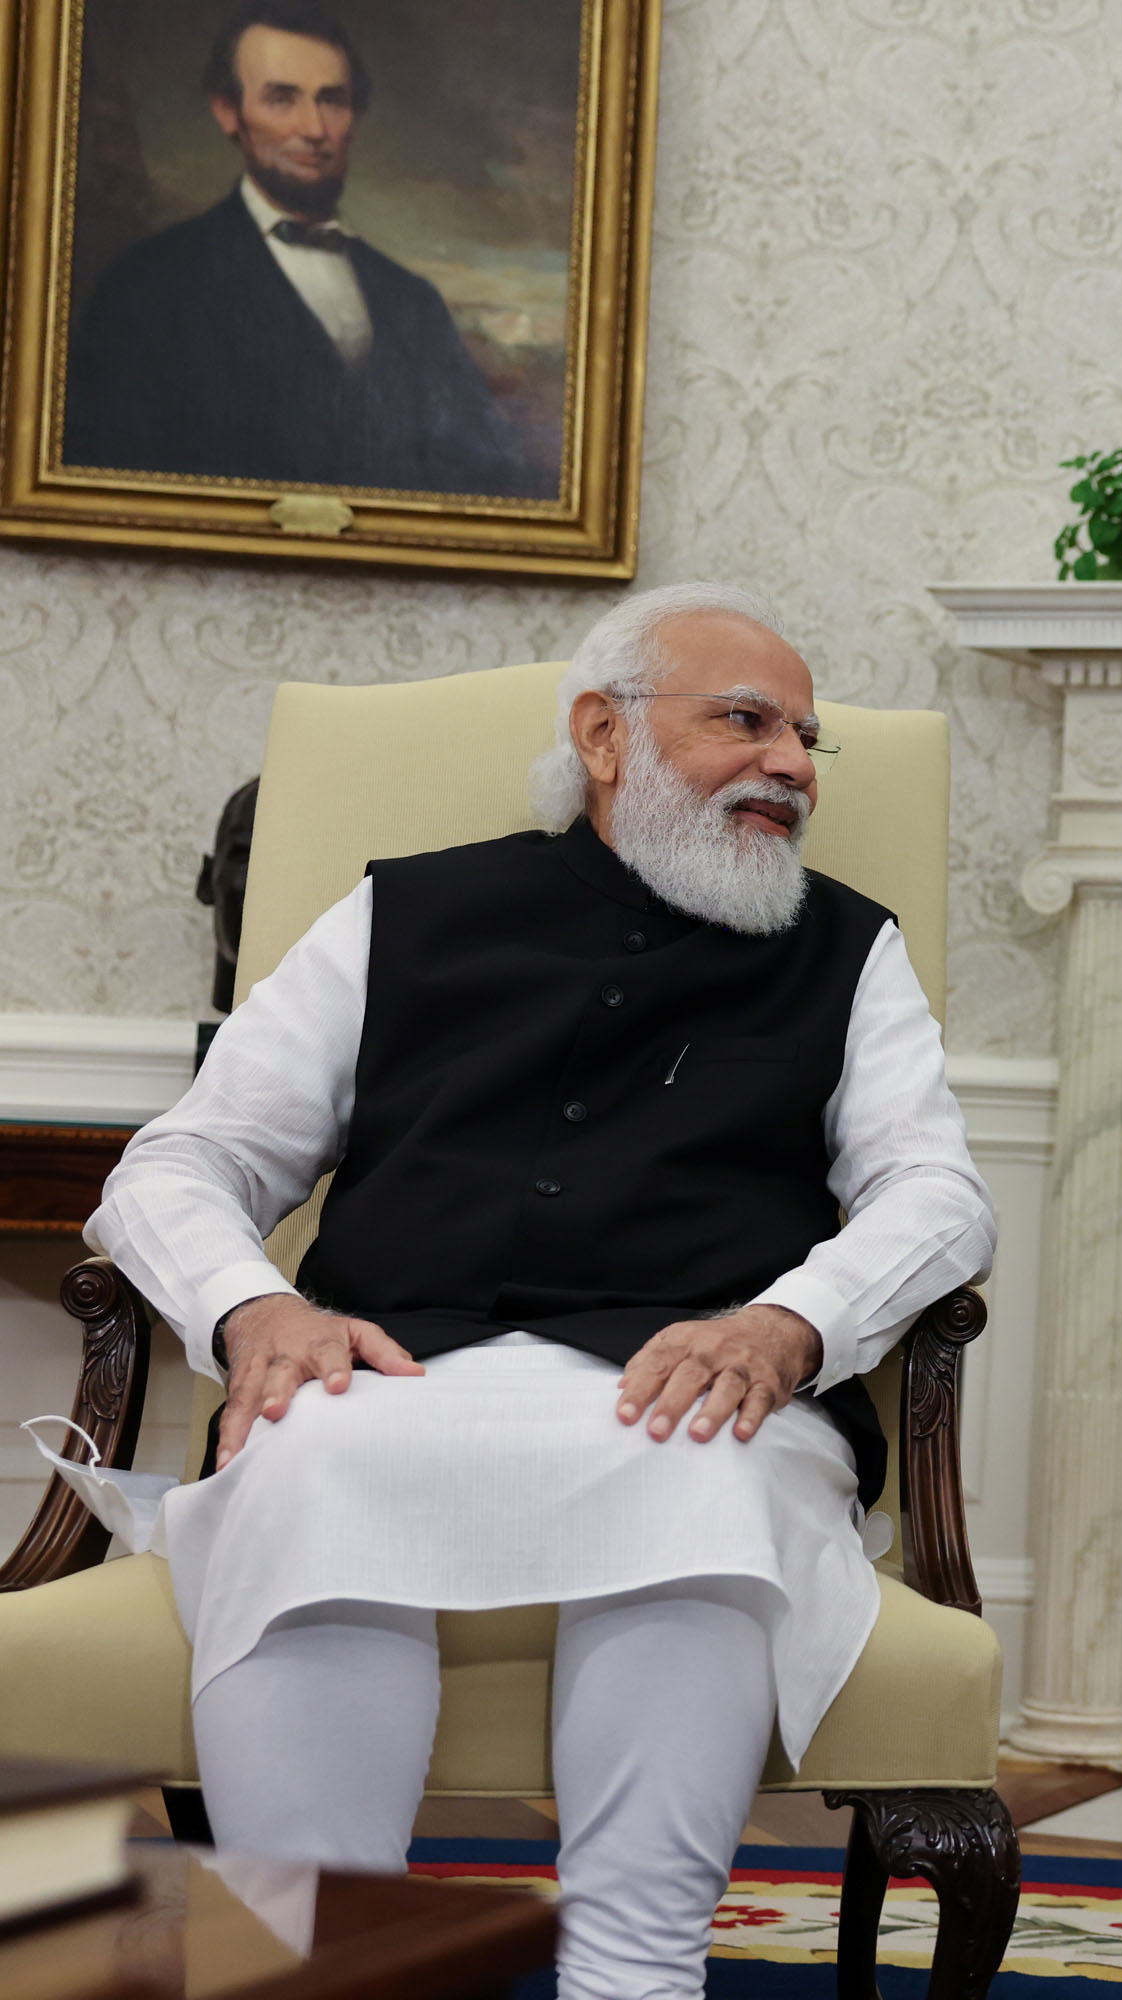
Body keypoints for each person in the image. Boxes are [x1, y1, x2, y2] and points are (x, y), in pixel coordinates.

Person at [86, 583, 995, 2000]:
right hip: (397, 1376)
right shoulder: (407, 912)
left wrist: (787, 1323)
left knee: (695, 1468)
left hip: (699, 1388)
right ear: (605, 734)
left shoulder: (849, 950)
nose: (797, 766)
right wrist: (251, 1311)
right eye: (746, 722)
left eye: (808, 738)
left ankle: (632, 1973)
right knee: (309, 1457)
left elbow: (938, 1195)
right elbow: (178, 1164)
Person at [62, 5, 542, 497]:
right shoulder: (146, 287)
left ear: (354, 116)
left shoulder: (415, 303)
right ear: (229, 112)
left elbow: (491, 483)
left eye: (332, 101)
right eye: (281, 99)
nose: (314, 129)